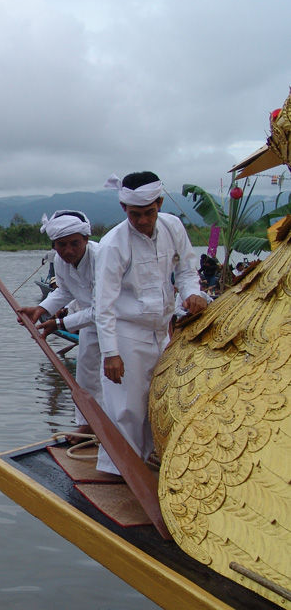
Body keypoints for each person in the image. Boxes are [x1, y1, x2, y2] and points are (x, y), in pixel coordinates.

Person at [95, 172, 207, 475]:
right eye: (135, 215)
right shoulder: (112, 245)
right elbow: (103, 306)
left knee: (161, 398)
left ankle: (152, 462)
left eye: (149, 213)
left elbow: (186, 269)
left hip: (163, 329)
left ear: (159, 203)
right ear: (124, 209)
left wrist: (192, 294)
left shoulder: (173, 226)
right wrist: (110, 354)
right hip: (127, 332)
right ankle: (123, 474)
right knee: (127, 408)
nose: (143, 221)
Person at [17, 210, 101, 444]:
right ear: (54, 245)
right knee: (85, 375)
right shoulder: (60, 262)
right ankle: (87, 425)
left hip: (118, 322)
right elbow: (64, 291)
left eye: (75, 243)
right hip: (89, 322)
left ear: (86, 239)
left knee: (121, 379)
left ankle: (118, 430)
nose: (68, 250)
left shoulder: (102, 258)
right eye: (61, 245)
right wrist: (41, 309)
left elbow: (102, 308)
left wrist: (60, 323)